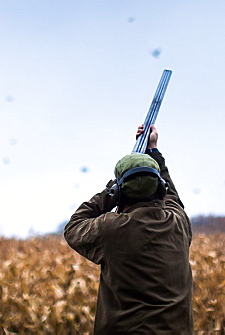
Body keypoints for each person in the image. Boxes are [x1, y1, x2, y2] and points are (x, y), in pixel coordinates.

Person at [63, 124, 193, 334]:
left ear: (121, 193)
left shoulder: (111, 228)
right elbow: (171, 195)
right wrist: (153, 151)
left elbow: (74, 227)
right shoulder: (178, 222)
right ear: (159, 188)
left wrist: (111, 192)